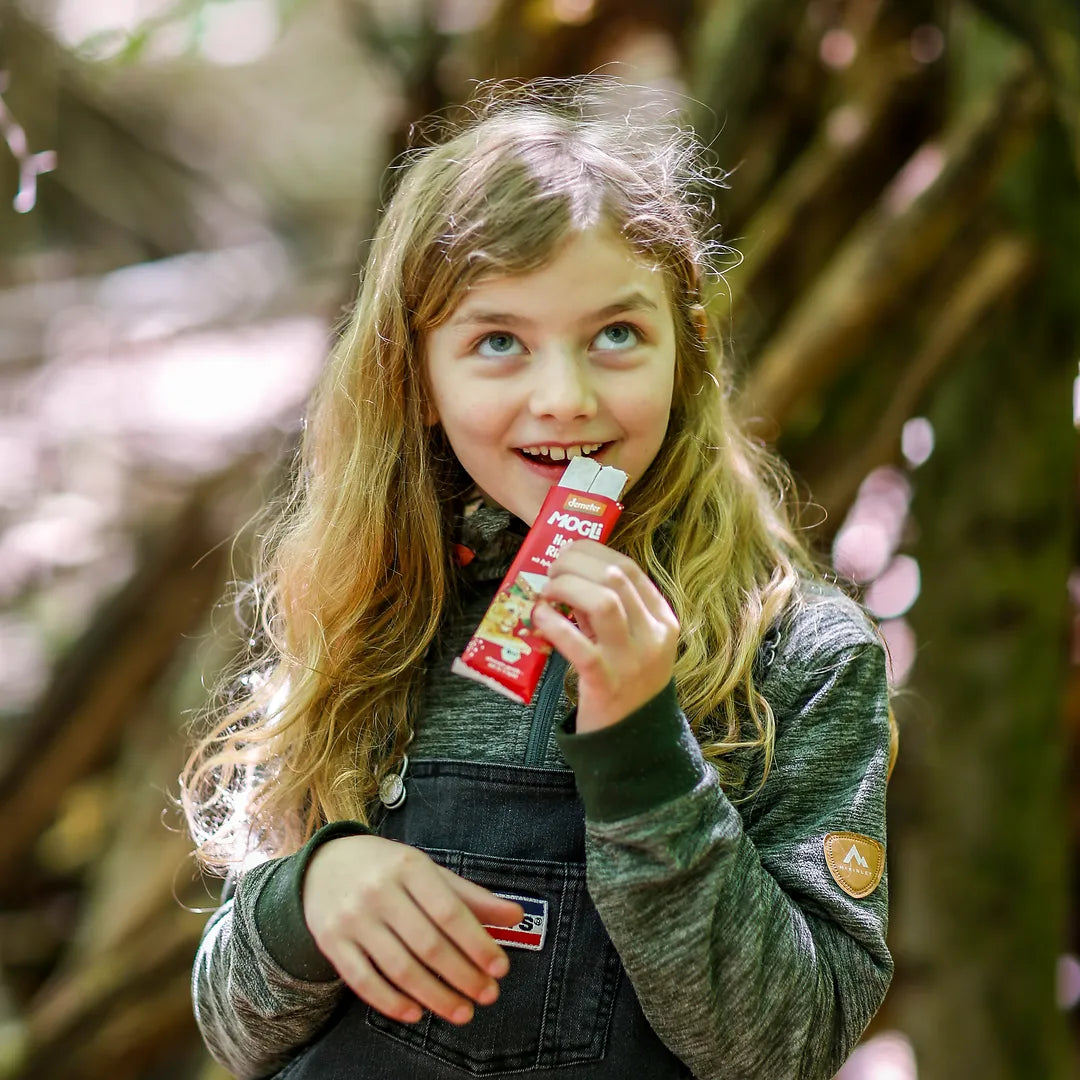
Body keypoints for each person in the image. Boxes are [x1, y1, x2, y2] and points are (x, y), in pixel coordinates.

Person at [182, 76, 898, 1080]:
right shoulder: (365, 623)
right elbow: (233, 1019)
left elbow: (785, 1044)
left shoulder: (797, 656)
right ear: (417, 382)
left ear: (684, 356)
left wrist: (646, 747)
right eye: (499, 343)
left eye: (617, 334)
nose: (563, 399)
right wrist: (306, 896)